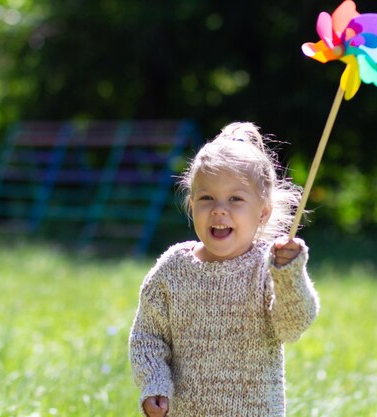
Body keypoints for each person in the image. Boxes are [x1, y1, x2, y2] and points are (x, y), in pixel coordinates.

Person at [129, 122, 320, 417]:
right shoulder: (173, 269)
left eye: (235, 199)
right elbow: (148, 337)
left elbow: (292, 325)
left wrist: (289, 276)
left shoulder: (267, 267)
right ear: (192, 205)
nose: (219, 209)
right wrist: (154, 384)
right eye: (207, 198)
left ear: (262, 211)